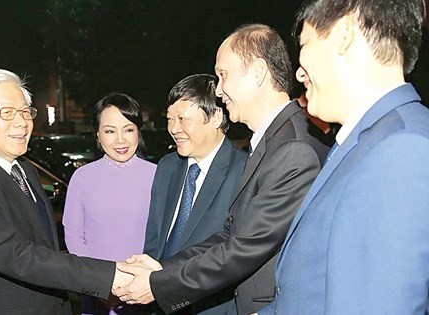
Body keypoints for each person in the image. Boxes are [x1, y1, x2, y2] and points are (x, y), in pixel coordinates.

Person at [114, 24, 329, 315]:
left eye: (223, 75)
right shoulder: (272, 141)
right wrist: (162, 268)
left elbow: (244, 247)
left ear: (257, 73)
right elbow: (231, 234)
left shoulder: (293, 149)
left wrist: (159, 283)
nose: (219, 89)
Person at [263, 0, 429, 313]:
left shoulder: (401, 151)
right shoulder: (369, 141)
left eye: (305, 45)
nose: (299, 73)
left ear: (343, 36)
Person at [0, 69, 130, 314]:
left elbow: (43, 246)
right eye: (6, 113)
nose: (22, 122)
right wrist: (107, 277)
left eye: (25, 112)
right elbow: (18, 256)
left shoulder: (25, 168)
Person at [143, 74, 247, 314]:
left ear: (216, 117)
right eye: (169, 119)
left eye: (182, 119)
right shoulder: (167, 167)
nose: (173, 129)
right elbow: (154, 240)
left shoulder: (245, 171)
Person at [63, 92, 157, 314]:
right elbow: (74, 237)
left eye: (128, 129)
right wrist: (99, 284)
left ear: (138, 132)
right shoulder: (82, 178)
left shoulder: (159, 176)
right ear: (97, 134)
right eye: (110, 131)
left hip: (147, 290)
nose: (120, 140)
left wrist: (147, 282)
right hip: (97, 292)